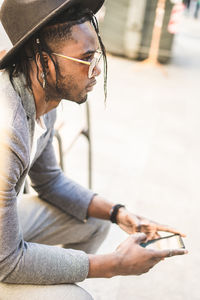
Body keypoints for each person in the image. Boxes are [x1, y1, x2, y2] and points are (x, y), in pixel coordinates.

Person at [0, 0, 187, 299]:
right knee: (75, 298)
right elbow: (6, 261)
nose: (97, 70)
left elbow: (49, 181)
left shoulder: (41, 98)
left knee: (96, 220)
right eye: (86, 58)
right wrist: (113, 265)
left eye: (96, 55)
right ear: (43, 61)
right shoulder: (7, 128)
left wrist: (119, 213)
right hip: (2, 256)